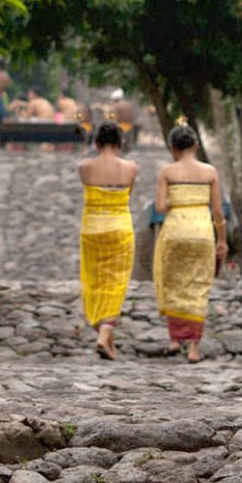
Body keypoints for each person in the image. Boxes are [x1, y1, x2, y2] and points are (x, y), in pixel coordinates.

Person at [153, 121, 228, 363]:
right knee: (198, 285)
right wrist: (223, 240)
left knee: (173, 282)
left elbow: (160, 207)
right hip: (202, 230)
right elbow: (218, 211)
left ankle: (175, 340)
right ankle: (194, 347)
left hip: (175, 229)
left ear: (172, 147)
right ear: (196, 145)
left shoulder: (167, 172)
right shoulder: (209, 172)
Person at [78, 121, 139, 360]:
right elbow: (127, 196)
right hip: (119, 228)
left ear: (96, 142)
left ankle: (106, 339)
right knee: (116, 283)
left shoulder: (85, 167)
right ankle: (104, 334)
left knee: (93, 280)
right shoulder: (130, 167)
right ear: (120, 142)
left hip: (92, 228)